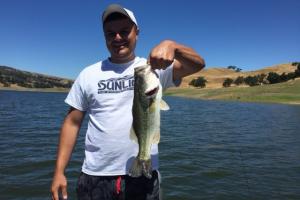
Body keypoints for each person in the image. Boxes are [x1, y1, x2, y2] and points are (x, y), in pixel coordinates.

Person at [51, 3, 205, 200]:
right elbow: (72, 123)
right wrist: (59, 172)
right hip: (95, 175)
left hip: (143, 175)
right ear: (104, 36)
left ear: (137, 32)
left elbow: (198, 64)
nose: (117, 38)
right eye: (110, 33)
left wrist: (173, 46)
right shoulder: (88, 74)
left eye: (124, 31)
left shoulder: (155, 67)